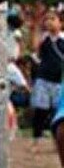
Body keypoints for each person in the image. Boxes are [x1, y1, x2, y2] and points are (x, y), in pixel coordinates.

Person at [30, 8, 64, 145]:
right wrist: (37, 27)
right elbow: (35, 49)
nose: (49, 22)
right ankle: (36, 138)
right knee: (40, 109)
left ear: (61, 23)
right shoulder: (44, 39)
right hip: (43, 78)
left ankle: (57, 139)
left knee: (58, 111)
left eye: (53, 19)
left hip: (60, 81)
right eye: (47, 19)